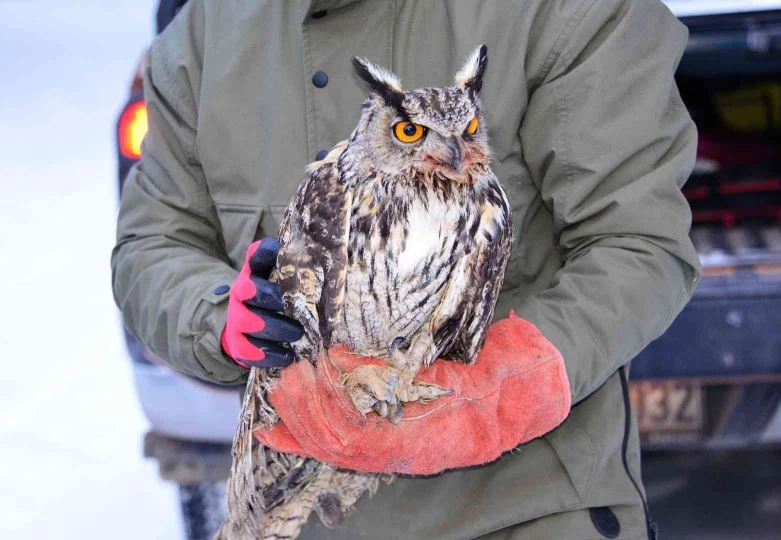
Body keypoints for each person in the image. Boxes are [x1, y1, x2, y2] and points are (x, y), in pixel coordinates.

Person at [111, 1, 700, 538]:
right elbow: (154, 241)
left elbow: (637, 241)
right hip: (305, 517)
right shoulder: (209, 29)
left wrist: (509, 387)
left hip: (526, 508)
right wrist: (219, 314)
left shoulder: (562, 11)